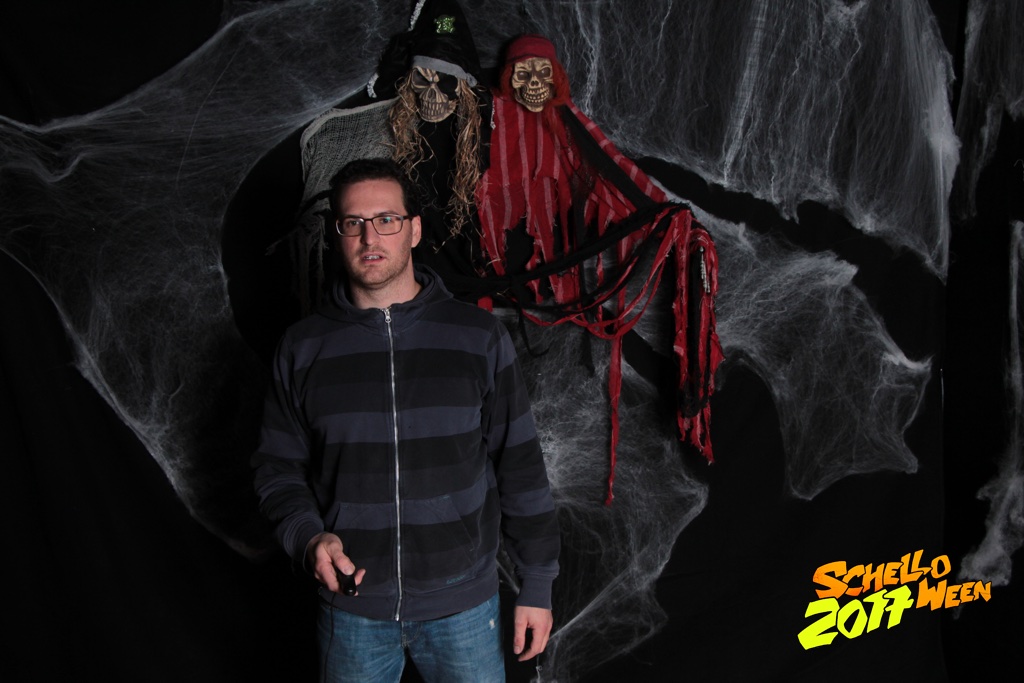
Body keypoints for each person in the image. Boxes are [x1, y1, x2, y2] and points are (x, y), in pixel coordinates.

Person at [252, 157, 560, 682]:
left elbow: (521, 466)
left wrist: (537, 584)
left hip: (464, 609)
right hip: (351, 610)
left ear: (414, 230)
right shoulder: (303, 348)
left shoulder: (477, 337)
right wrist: (308, 539)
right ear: (336, 235)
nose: (370, 237)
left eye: (386, 220)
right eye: (353, 222)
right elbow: (277, 470)